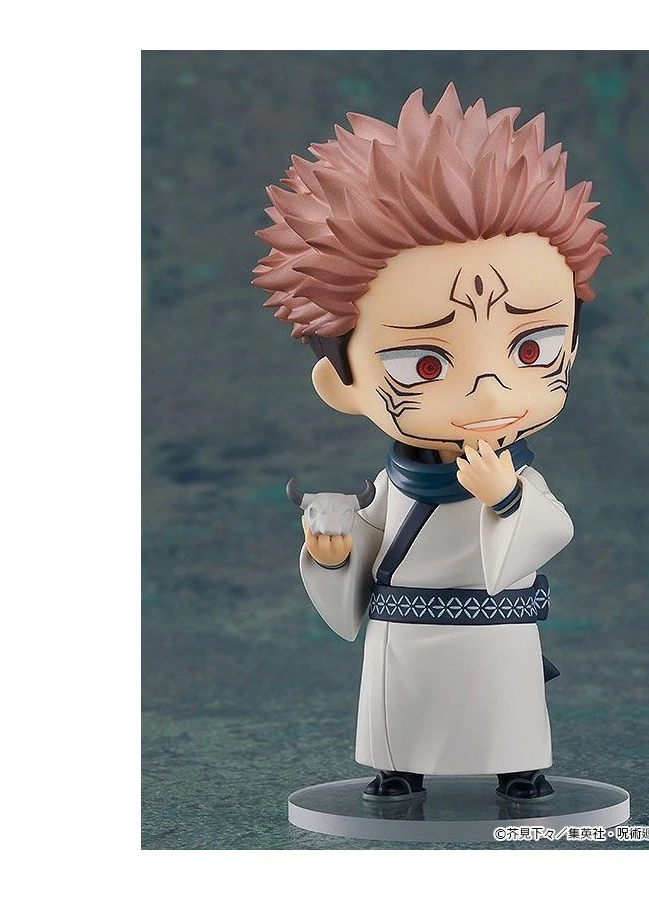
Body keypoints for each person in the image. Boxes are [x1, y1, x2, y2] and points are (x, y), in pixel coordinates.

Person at [253, 84, 609, 802]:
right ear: (341, 385)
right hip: (407, 629)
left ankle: (519, 767)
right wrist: (333, 552)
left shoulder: (516, 476)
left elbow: (550, 528)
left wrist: (505, 498)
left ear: (572, 344)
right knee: (403, 715)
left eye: (532, 349)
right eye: (425, 364)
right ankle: (397, 767)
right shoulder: (393, 483)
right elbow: (369, 539)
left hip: (496, 631)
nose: (491, 392)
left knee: (504, 710)